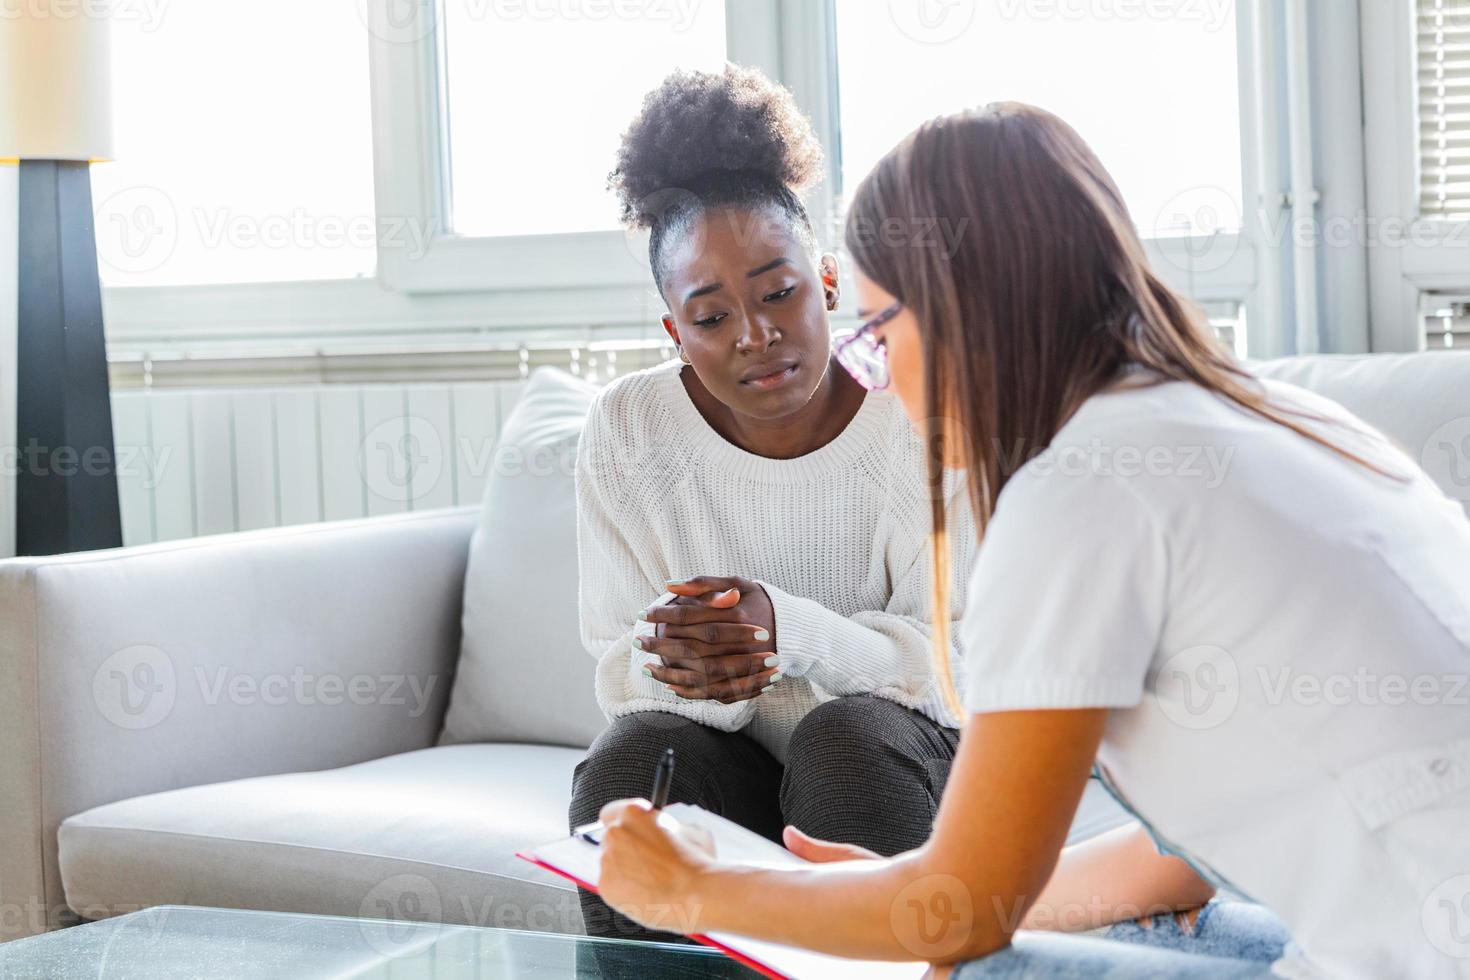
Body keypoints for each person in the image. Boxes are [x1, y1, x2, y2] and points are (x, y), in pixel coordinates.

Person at [592, 102, 1470, 979]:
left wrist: (694, 893)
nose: (882, 374)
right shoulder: (1262, 416)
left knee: (970, 967)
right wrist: (906, 889)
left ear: (961, 310)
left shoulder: (1080, 494)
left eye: (882, 330)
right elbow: (1174, 865)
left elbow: (960, 917)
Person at [568, 65, 980, 943]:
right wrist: (702, 672)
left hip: (904, 754)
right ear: (673, 330)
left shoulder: (915, 410)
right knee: (634, 762)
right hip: (737, 761)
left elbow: (960, 670)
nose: (756, 335)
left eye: (778, 292)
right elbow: (617, 668)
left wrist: (781, 631)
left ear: (826, 280)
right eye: (711, 317)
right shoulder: (630, 430)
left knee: (842, 741)